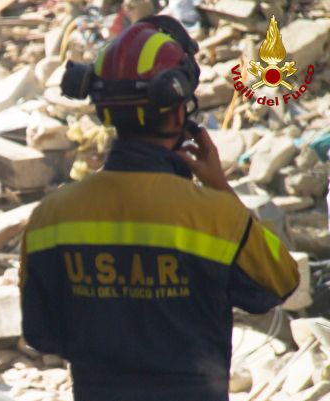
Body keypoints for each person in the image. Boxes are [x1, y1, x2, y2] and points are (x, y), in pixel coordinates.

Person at [20, 15, 299, 401]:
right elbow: (280, 282)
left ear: (104, 110)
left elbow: (41, 334)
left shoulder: (49, 218)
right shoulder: (216, 216)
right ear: (176, 108)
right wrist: (221, 188)